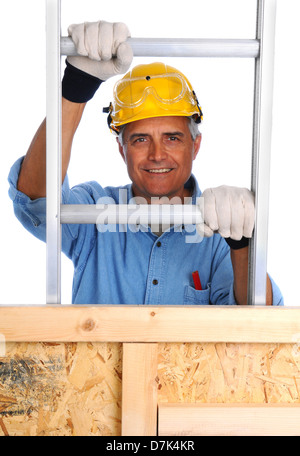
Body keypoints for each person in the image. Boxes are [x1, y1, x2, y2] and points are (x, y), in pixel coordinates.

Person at [8, 20, 283, 306]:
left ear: (196, 145)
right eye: (140, 139)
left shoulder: (217, 232)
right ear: (121, 149)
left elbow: (259, 326)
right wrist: (76, 88)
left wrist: (242, 244)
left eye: (172, 138)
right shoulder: (95, 212)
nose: (156, 155)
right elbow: (34, 200)